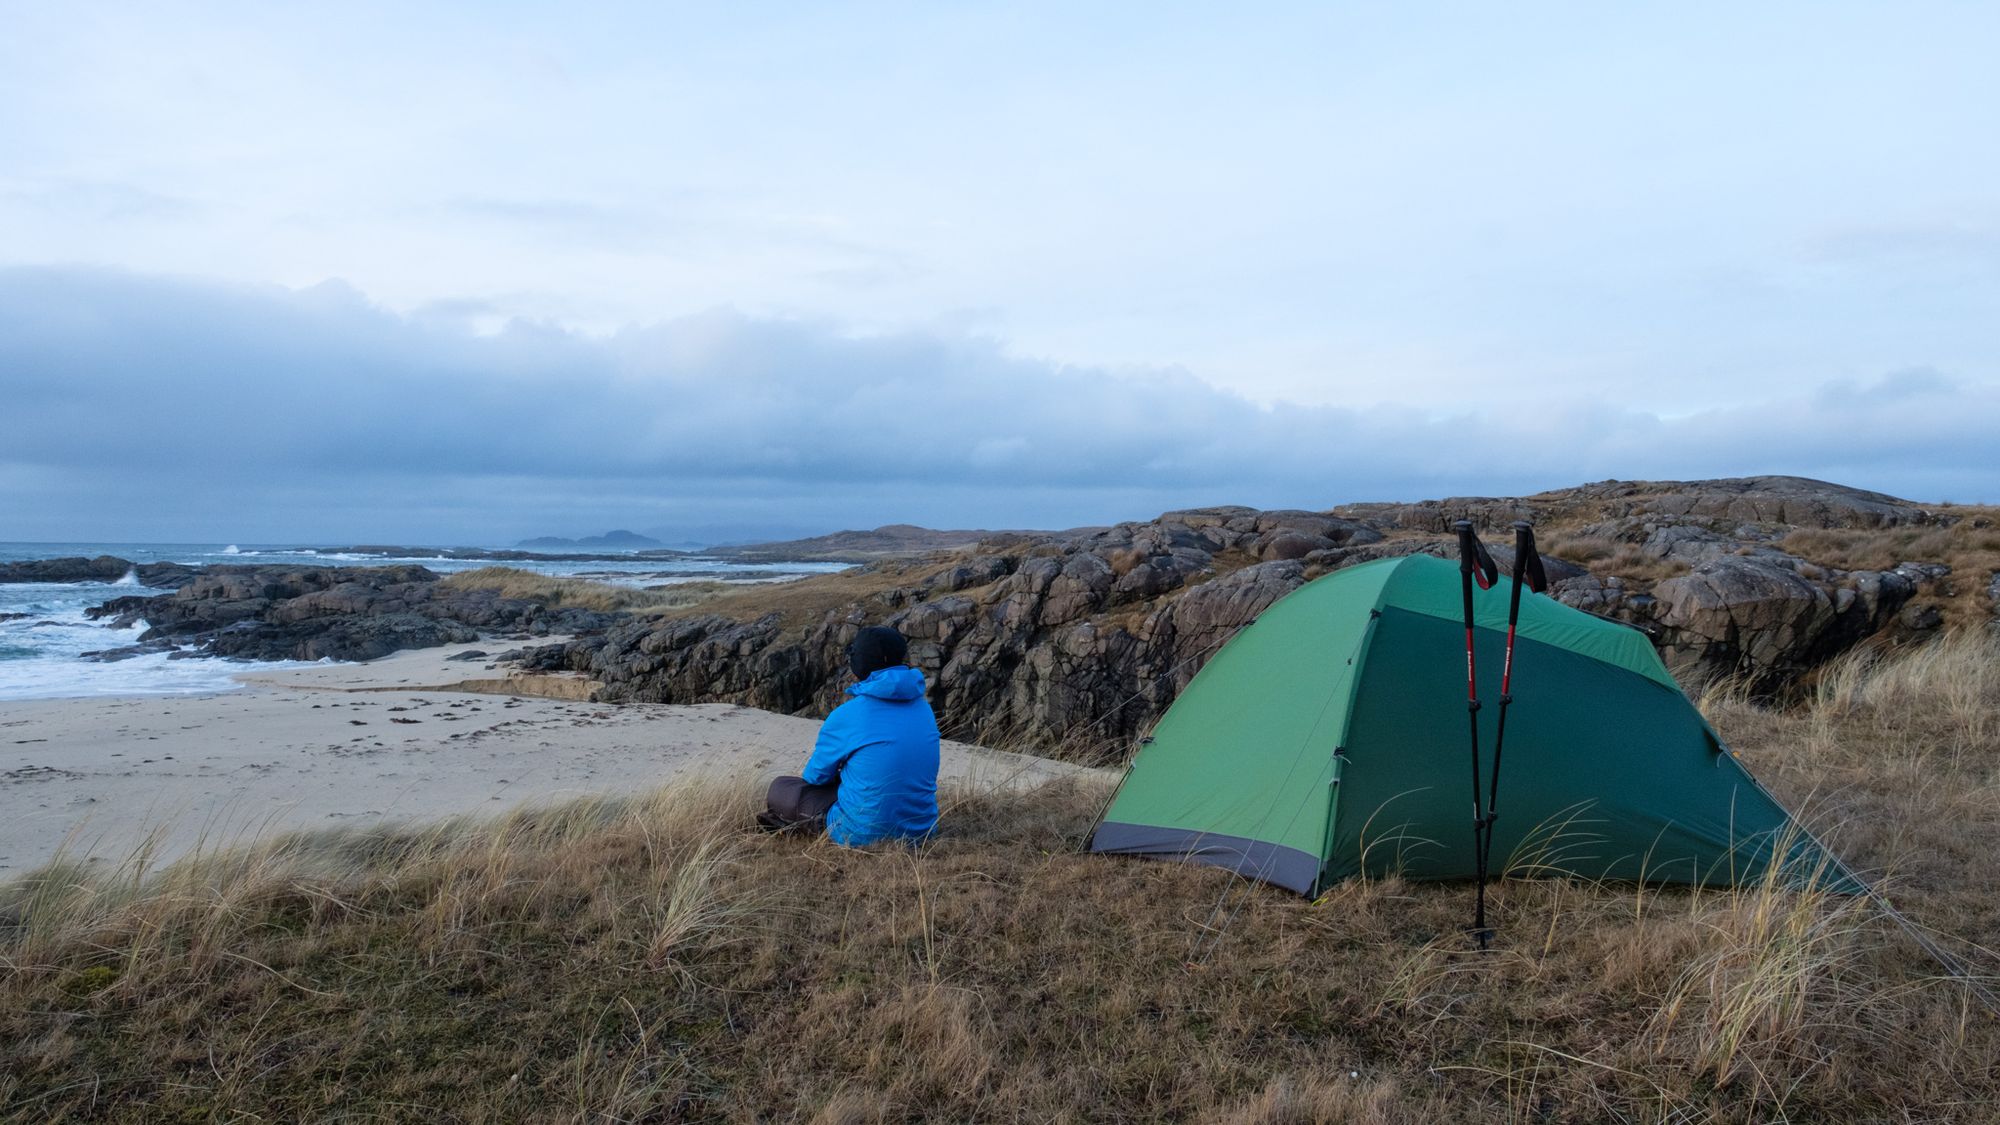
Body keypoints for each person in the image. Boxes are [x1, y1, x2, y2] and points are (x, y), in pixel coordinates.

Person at [759, 625, 940, 845]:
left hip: (858, 834)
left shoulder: (848, 714)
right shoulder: (923, 709)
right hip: (922, 829)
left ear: (860, 663)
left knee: (781, 787)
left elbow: (815, 777)